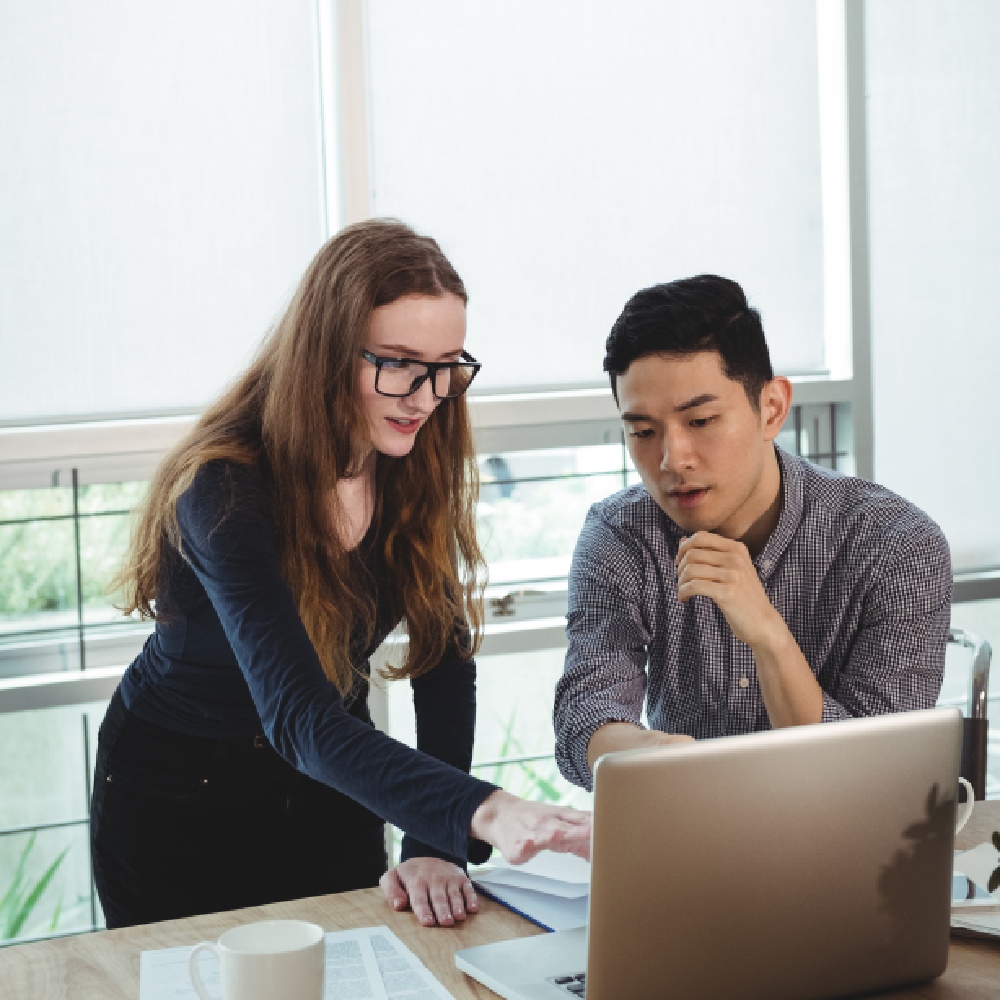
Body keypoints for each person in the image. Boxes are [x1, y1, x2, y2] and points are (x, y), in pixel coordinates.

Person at [91, 218, 590, 929]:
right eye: (398, 362)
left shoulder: (411, 460)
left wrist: (432, 843)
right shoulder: (226, 491)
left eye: (447, 364)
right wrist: (486, 810)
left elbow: (443, 659)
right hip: (181, 796)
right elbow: (296, 716)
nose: (426, 395)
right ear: (325, 354)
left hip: (328, 778)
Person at [554, 275, 951, 790]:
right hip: (688, 834)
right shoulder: (622, 534)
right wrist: (653, 756)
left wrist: (769, 635)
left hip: (845, 848)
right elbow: (587, 709)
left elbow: (874, 778)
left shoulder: (897, 545)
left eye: (700, 421)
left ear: (772, 409)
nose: (673, 461)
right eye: (644, 432)